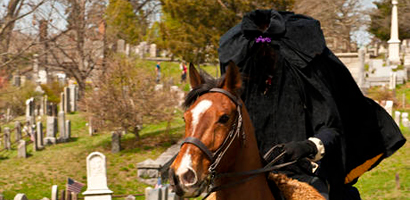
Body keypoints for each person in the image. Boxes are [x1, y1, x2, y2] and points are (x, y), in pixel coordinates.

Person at [218, 9, 406, 200]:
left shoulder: (304, 74)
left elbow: (330, 127)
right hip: (247, 175)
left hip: (301, 172)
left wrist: (306, 147)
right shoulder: (243, 78)